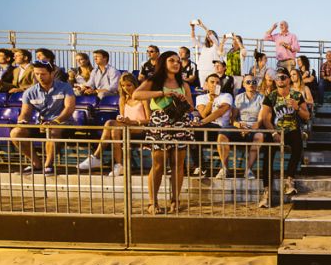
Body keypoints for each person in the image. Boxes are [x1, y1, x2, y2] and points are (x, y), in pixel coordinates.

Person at [133, 51, 194, 214]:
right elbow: (136, 94)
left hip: (180, 122)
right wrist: (163, 93)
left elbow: (191, 107)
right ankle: (153, 202)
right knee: (158, 164)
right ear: (163, 63)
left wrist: (183, 101)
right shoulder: (154, 81)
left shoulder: (184, 84)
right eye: (171, 60)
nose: (176, 63)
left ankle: (175, 200)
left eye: (178, 61)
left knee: (178, 164)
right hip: (160, 122)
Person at [9, 60, 76, 174]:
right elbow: (25, 112)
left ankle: (48, 165)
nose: (40, 77)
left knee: (52, 131)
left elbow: (69, 108)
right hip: (41, 124)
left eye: (43, 74)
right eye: (37, 74)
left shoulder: (65, 87)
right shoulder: (29, 92)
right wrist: (22, 120)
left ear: (52, 74)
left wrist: (55, 121)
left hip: (63, 124)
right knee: (16, 132)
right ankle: (36, 164)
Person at [78, 73, 150, 177]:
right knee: (112, 127)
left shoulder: (143, 98)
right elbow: (122, 117)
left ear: (135, 85)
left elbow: (149, 119)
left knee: (111, 125)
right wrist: (120, 119)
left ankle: (96, 157)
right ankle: (119, 165)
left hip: (140, 128)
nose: (126, 88)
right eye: (123, 86)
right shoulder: (122, 99)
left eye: (129, 85)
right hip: (126, 127)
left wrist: (134, 122)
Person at [258, 68, 310, 207]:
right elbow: (265, 119)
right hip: (276, 130)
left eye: (284, 77)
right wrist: (274, 133)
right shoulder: (271, 96)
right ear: (275, 80)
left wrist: (297, 108)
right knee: (268, 151)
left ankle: (289, 180)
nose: (281, 79)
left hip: (291, 129)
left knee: (297, 144)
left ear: (288, 80)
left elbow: (307, 116)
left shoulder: (297, 95)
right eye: (278, 77)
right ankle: (267, 191)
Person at [192, 74, 234, 179]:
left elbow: (220, 112)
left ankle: (224, 168)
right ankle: (200, 165)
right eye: (212, 82)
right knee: (191, 132)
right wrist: (211, 101)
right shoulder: (200, 98)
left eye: (218, 82)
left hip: (221, 129)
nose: (215, 84)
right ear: (206, 84)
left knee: (197, 128)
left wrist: (202, 122)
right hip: (205, 129)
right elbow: (203, 114)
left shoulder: (226, 96)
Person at [229, 74, 266, 179]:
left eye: (254, 82)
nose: (251, 84)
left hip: (255, 126)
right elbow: (233, 118)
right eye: (248, 82)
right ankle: (224, 168)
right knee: (222, 134)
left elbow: (260, 119)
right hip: (241, 126)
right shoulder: (238, 98)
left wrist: (250, 129)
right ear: (244, 84)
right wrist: (238, 125)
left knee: (259, 136)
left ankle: (248, 169)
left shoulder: (262, 98)